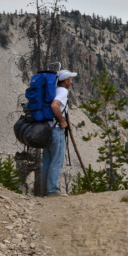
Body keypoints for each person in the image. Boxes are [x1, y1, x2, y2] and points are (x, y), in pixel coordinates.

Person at [42, 69, 76, 197]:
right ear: (66, 81)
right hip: (56, 129)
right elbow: (54, 106)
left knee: (47, 159)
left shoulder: (53, 90)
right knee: (56, 160)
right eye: (71, 79)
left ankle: (44, 190)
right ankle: (52, 190)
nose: (71, 82)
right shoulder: (62, 91)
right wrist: (62, 121)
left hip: (46, 129)